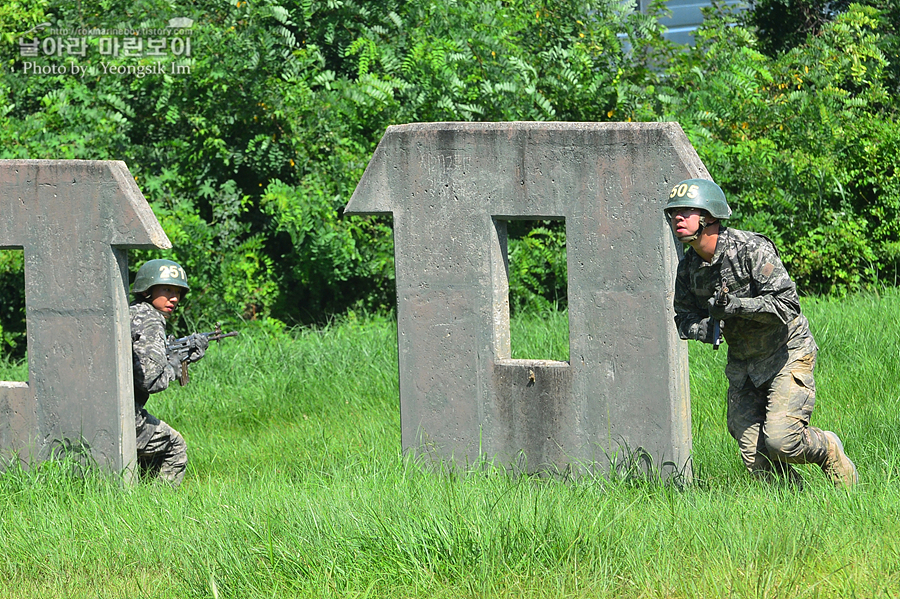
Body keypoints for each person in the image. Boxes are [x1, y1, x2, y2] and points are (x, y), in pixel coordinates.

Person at [664, 178, 857, 488]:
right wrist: (710, 327)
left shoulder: (750, 249)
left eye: (685, 211)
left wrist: (737, 306)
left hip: (786, 353)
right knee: (755, 455)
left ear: (708, 216)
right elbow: (683, 318)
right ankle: (795, 506)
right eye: (673, 213)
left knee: (783, 441)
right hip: (744, 364)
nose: (677, 219)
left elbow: (788, 304)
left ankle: (828, 449)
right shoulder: (688, 269)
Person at [130, 259, 208, 487]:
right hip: (124, 418)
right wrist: (176, 363)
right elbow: (149, 381)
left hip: (102, 411)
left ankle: (136, 496)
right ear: (147, 290)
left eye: (178, 292)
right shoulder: (151, 320)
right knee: (175, 446)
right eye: (166, 289)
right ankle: (158, 506)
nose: (174, 298)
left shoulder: (131, 312)